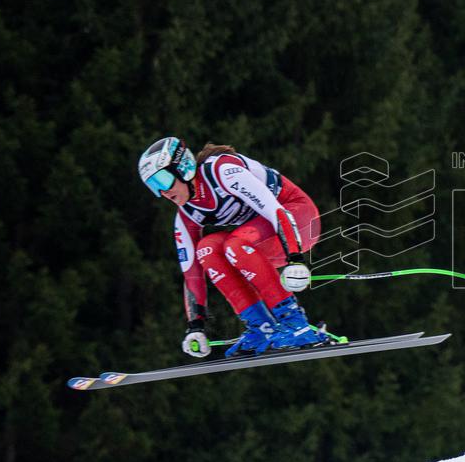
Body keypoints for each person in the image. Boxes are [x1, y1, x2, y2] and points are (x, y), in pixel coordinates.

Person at [137, 137, 328, 358]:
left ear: (183, 168)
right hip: (262, 240)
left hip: (298, 220)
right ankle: (262, 328)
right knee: (206, 249)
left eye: (163, 180)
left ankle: (297, 324)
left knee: (234, 245)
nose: (163, 192)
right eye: (154, 187)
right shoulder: (186, 215)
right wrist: (195, 327)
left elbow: (275, 211)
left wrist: (295, 259)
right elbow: (192, 273)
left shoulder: (222, 171)